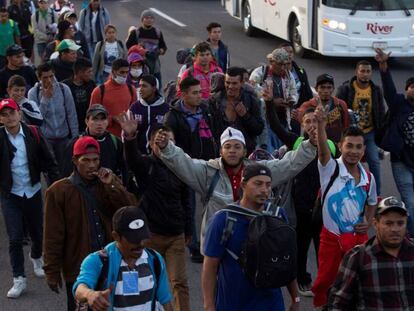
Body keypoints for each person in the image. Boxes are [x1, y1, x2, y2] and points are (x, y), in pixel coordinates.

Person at [153, 126, 317, 253]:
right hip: (218, 248)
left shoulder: (259, 171)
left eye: (237, 146)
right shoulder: (208, 172)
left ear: (245, 151)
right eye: (228, 146)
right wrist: (167, 147)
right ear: (221, 151)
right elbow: (184, 163)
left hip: (253, 245)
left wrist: (310, 145)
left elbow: (287, 165)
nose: (232, 150)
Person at [43, 136, 136, 311]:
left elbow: (130, 212)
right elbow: (53, 235)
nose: (92, 165)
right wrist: (52, 271)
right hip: (79, 270)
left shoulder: (107, 182)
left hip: (111, 265)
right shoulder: (58, 191)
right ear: (75, 161)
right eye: (86, 160)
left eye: (95, 160)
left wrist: (112, 186)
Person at [264, 89, 337, 296]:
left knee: (323, 246)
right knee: (301, 244)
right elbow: (277, 127)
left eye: (315, 121)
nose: (311, 125)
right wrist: (269, 103)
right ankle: (302, 279)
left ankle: (326, 282)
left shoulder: (330, 145)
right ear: (301, 125)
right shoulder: (296, 143)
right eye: (307, 122)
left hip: (324, 203)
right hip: (300, 203)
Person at [202, 164, 300, 311]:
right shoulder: (224, 219)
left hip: (271, 305)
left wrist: (296, 298)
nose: (264, 190)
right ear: (243, 185)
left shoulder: (277, 216)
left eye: (268, 185)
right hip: (233, 305)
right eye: (258, 183)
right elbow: (210, 265)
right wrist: (209, 305)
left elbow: (286, 260)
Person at [121, 120, 192, 311]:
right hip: (150, 236)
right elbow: (132, 159)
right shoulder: (146, 165)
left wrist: (189, 229)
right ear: (151, 144)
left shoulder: (181, 167)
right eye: (159, 140)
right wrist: (129, 138)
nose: (164, 144)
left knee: (179, 283)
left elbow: (187, 201)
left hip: (175, 235)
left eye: (169, 140)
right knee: (144, 282)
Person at [311, 106, 377, 308]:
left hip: (358, 242)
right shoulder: (330, 168)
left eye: (358, 147)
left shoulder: (368, 178)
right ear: (340, 146)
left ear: (364, 150)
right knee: (327, 286)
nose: (353, 152)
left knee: (359, 286)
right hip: (331, 241)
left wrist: (367, 220)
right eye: (349, 146)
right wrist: (321, 125)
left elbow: (372, 202)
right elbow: (322, 151)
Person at [0, 98, 59, 298]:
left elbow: (49, 161)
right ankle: (18, 278)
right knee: (15, 238)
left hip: (32, 190)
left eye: (12, 112)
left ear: (19, 113)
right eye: (4, 114)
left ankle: (36, 256)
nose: (9, 117)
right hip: (10, 195)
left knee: (37, 231)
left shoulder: (34, 133)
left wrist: (56, 186)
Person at [73, 206, 174, 311]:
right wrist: (90, 294)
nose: (141, 244)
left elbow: (165, 300)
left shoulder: (155, 259)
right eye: (134, 239)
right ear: (116, 236)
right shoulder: (97, 261)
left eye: (143, 237)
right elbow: (79, 288)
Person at [328, 196, 414, 310]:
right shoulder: (358, 257)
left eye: (400, 223)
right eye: (388, 223)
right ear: (375, 223)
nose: (395, 229)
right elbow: (338, 303)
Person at [374, 48, 414, 236]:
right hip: (401, 161)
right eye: (412, 87)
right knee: (410, 202)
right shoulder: (399, 103)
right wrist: (383, 66)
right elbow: (389, 89)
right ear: (407, 90)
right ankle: (411, 239)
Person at [336, 60, 385, 194]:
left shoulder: (375, 90)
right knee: (345, 162)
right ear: (356, 72)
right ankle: (345, 190)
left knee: (374, 162)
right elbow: (337, 109)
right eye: (362, 71)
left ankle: (376, 195)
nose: (365, 74)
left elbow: (381, 112)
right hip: (350, 134)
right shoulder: (345, 88)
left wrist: (381, 136)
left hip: (369, 134)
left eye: (368, 71)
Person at [28, 62, 79, 173]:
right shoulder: (33, 93)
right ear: (39, 78)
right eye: (45, 77)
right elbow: (36, 119)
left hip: (63, 138)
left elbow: (71, 114)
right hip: (46, 140)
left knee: (66, 170)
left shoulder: (63, 89)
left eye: (51, 76)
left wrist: (75, 138)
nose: (49, 80)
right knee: (51, 172)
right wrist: (45, 99)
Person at [61, 104, 126, 183]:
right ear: (87, 121)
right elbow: (66, 173)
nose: (99, 123)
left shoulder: (115, 142)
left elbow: (123, 169)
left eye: (103, 119)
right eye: (95, 119)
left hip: (108, 189)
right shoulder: (75, 143)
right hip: (84, 190)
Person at [250, 48, 298, 151]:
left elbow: (294, 92)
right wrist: (271, 102)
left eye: (285, 64)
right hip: (265, 121)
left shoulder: (289, 76)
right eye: (280, 64)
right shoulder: (260, 72)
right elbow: (252, 91)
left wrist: (291, 100)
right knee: (267, 150)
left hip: (282, 121)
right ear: (271, 62)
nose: (283, 67)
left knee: (281, 150)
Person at [208, 66, 264, 155]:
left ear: (242, 83)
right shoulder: (214, 101)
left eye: (234, 83)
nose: (230, 86)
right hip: (219, 153)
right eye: (227, 82)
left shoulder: (251, 101)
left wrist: (245, 115)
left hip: (245, 153)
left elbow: (258, 129)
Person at [90, 58, 137, 137]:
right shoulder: (99, 91)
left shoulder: (131, 89)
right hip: (106, 137)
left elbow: (135, 113)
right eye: (121, 72)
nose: (125, 75)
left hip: (126, 137)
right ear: (113, 72)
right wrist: (112, 119)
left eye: (126, 72)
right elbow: (92, 117)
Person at [299, 74, 350, 144]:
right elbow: (301, 124)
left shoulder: (341, 104)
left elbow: (346, 127)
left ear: (333, 88)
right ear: (316, 89)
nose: (326, 91)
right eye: (322, 87)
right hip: (314, 146)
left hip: (335, 147)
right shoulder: (307, 106)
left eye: (329, 87)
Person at [128, 74, 168, 154]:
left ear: (154, 88)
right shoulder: (134, 108)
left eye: (144, 86)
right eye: (140, 86)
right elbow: (126, 134)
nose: (140, 90)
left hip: (159, 156)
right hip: (138, 155)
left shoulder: (165, 109)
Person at [126, 9, 167, 86]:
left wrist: (159, 51)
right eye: (146, 18)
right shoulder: (136, 32)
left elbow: (163, 46)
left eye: (151, 18)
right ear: (142, 19)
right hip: (140, 65)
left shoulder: (157, 32)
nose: (149, 20)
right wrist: (140, 50)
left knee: (157, 86)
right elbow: (129, 46)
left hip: (154, 65)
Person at [279, 42, 313, 133]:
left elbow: (308, 94)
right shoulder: (275, 73)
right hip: (280, 114)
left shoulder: (300, 71)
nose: (289, 55)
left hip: (295, 114)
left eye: (291, 52)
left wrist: (301, 110)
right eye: (285, 53)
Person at [63, 57, 96, 132]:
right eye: (89, 72)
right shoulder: (65, 87)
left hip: (89, 126)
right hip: (71, 128)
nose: (91, 74)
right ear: (80, 72)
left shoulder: (91, 84)